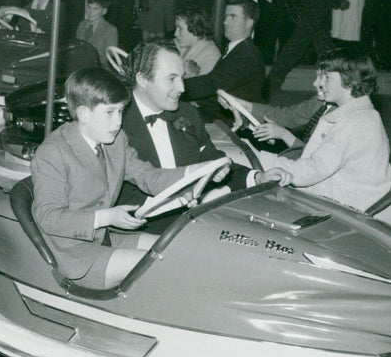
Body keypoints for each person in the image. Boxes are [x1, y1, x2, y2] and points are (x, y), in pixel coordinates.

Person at [31, 67, 230, 289]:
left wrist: (193, 174)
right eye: (110, 113)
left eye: (121, 112)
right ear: (84, 114)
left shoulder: (117, 141)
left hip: (106, 237)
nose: (118, 122)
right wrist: (107, 217)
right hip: (74, 252)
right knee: (167, 266)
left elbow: (148, 176)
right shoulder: (53, 152)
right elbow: (48, 217)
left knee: (179, 249)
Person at [117, 39, 291, 233]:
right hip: (142, 229)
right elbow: (116, 194)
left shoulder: (186, 113)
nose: (183, 88)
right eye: (171, 78)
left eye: (182, 77)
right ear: (142, 79)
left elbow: (213, 159)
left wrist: (257, 177)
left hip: (192, 222)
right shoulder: (115, 122)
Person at [220, 46, 391, 212]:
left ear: (349, 80)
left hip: (339, 205)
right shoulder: (349, 112)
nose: (318, 83)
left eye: (327, 78)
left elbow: (312, 170)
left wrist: (264, 161)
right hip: (328, 190)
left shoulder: (355, 123)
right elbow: (292, 121)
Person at [181, 0, 265, 122]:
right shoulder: (238, 49)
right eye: (226, 16)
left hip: (230, 122)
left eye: (233, 17)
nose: (225, 21)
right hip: (219, 113)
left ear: (249, 23)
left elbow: (211, 83)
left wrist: (172, 86)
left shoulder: (246, 56)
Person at [173, 8, 221, 77]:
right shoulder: (180, 44)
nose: (176, 33)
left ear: (194, 28)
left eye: (180, 29)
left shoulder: (211, 57)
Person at [75, 0, 118, 65]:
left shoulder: (110, 30)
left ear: (104, 11)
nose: (91, 12)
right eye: (89, 7)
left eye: (96, 9)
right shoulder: (81, 25)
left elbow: (110, 58)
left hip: (100, 69)